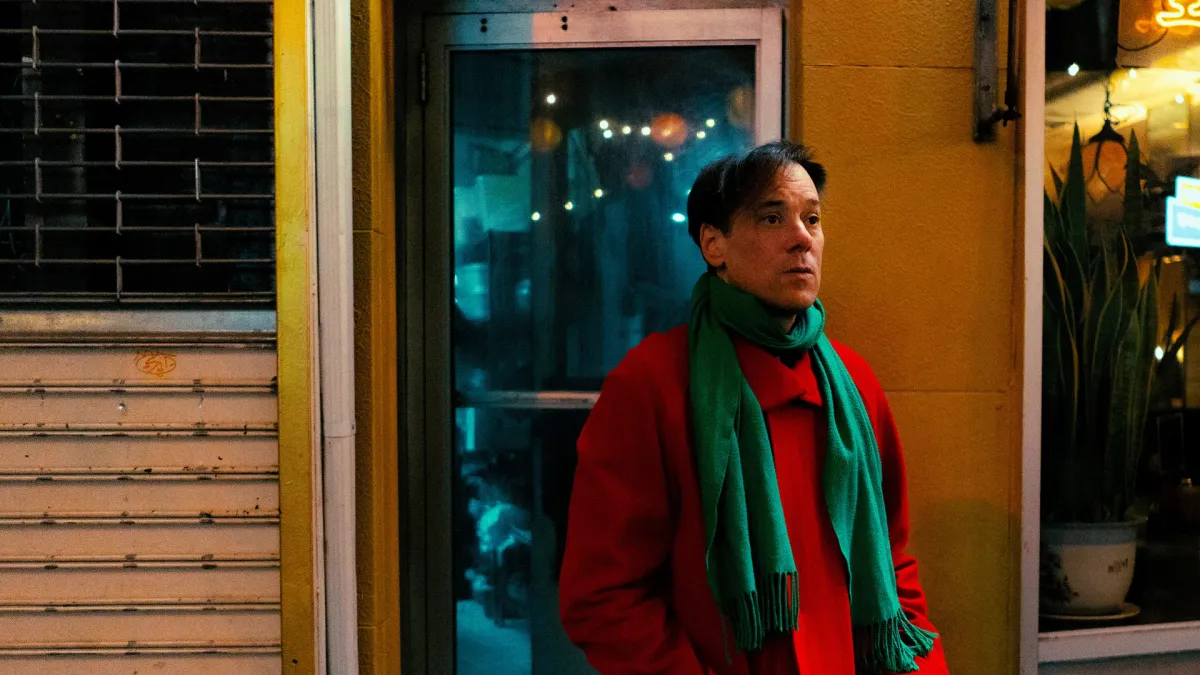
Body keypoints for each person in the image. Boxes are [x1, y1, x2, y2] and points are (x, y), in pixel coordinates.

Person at [557, 141, 949, 674]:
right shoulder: (654, 383)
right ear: (714, 244)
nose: (802, 238)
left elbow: (894, 560)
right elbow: (604, 596)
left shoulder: (853, 382)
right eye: (772, 218)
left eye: (813, 219)